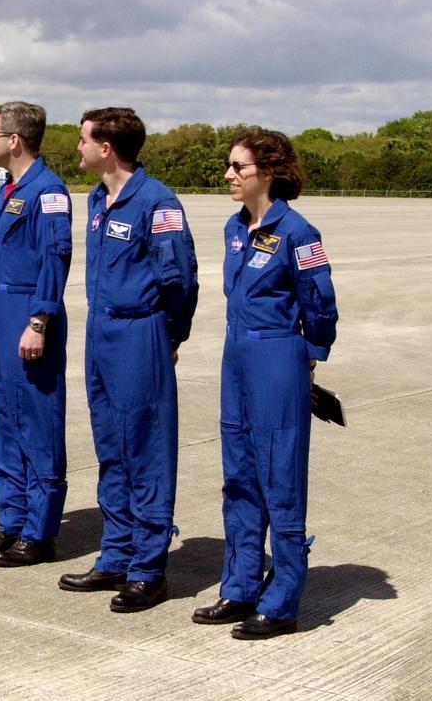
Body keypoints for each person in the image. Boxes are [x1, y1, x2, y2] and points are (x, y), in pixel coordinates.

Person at [192, 127, 338, 639]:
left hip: (278, 355)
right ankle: (240, 586)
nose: (229, 175)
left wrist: (311, 356)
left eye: (239, 167)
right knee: (239, 476)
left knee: (280, 477)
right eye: (229, 166)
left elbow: (320, 303)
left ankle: (282, 602)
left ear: (268, 173)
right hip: (237, 356)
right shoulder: (234, 229)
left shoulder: (299, 233)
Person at [58, 107, 198, 610]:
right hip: (102, 331)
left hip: (142, 332)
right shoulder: (98, 199)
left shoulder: (157, 203)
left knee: (146, 450)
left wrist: (170, 336)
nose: (77, 147)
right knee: (111, 446)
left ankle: (149, 569)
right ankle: (115, 555)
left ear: (106, 148)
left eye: (83, 140)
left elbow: (179, 278)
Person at [0, 101, 72, 567]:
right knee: (4, 419)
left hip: (31, 314)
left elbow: (55, 259)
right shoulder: (5, 189)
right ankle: (11, 520)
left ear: (14, 140)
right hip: (2, 311)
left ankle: (40, 531)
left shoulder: (49, 192)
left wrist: (39, 320)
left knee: (37, 421)